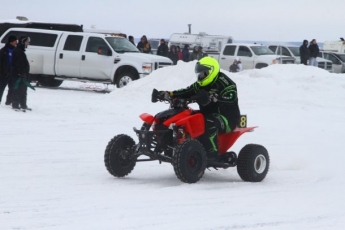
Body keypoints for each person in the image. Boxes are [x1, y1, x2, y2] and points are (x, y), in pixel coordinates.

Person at [158, 57, 240, 159]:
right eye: (199, 74)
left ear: (211, 71)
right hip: (207, 114)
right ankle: (177, 146)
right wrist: (169, 94)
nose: (201, 76)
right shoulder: (200, 85)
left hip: (228, 118)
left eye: (203, 74)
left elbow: (230, 98)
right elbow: (187, 91)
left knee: (209, 121)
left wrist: (214, 97)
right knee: (186, 117)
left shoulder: (227, 84)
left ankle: (212, 154)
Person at [11, 36, 31, 111]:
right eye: (27, 42)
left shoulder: (20, 51)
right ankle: (15, 104)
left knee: (23, 90)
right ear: (23, 42)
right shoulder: (18, 51)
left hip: (21, 74)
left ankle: (23, 105)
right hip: (18, 75)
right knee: (18, 89)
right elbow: (18, 64)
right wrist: (21, 73)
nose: (28, 44)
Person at [0, 35, 17, 105]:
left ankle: (9, 101)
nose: (16, 42)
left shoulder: (16, 50)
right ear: (11, 42)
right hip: (4, 73)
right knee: (1, 88)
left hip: (12, 73)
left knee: (12, 88)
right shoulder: (3, 50)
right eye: (15, 41)